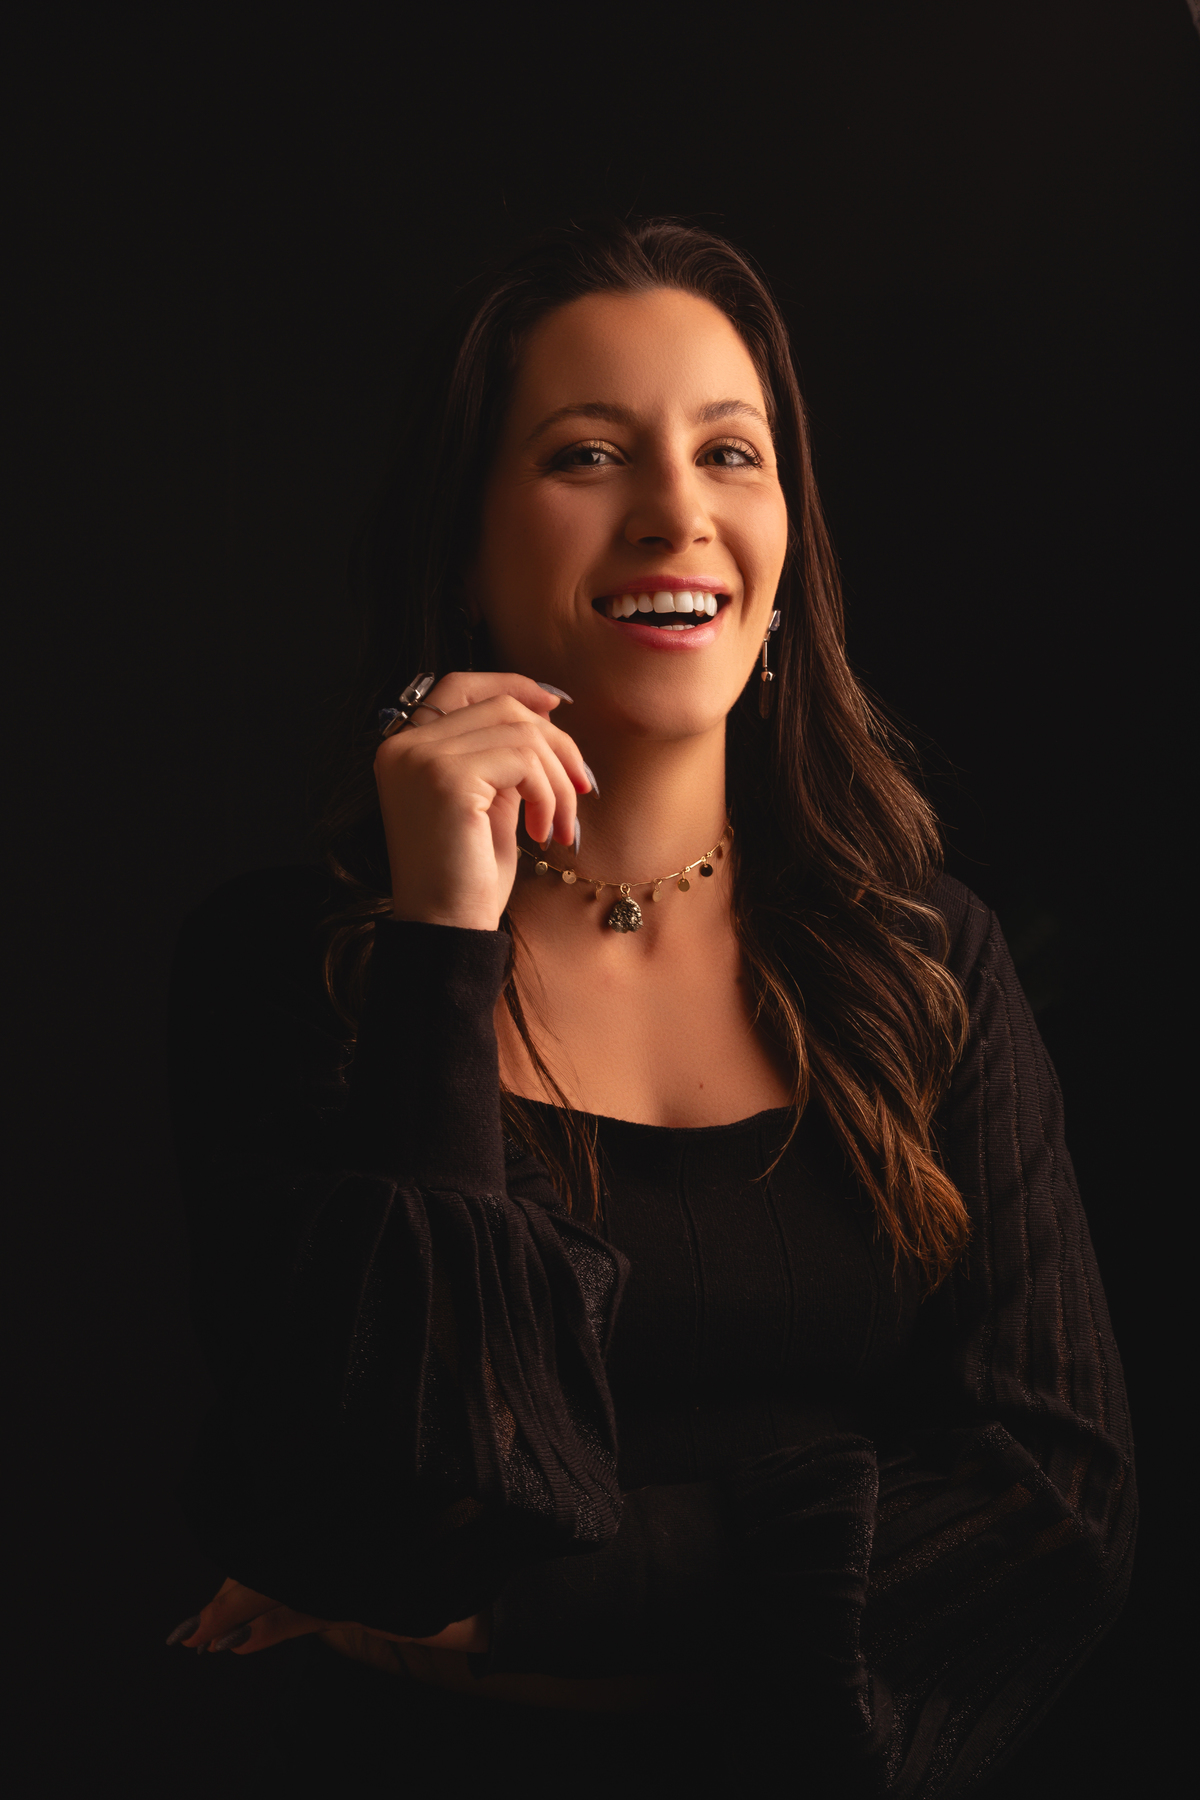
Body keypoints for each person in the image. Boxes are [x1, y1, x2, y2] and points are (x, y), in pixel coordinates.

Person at [165, 216, 1136, 1795]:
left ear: (785, 545)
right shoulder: (296, 974)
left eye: (730, 454)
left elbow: (1055, 1514)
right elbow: (391, 1513)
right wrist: (442, 939)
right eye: (589, 456)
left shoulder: (929, 963)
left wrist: (528, 1601)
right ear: (464, 548)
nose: (677, 512)